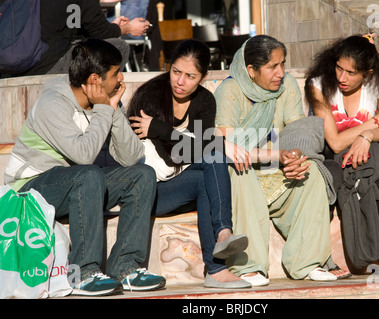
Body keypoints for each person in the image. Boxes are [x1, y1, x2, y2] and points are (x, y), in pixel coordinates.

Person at [3, 38, 165, 296]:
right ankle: (83, 273)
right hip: (30, 190)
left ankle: (126, 267)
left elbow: (132, 157)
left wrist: (112, 111)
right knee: (88, 174)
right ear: (94, 80)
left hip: (75, 182)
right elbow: (83, 156)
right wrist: (104, 109)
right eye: (115, 73)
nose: (121, 78)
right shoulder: (52, 104)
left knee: (142, 175)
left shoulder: (103, 102)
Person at [214, 35, 337, 286]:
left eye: (283, 64)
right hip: (244, 174)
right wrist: (277, 156)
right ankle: (248, 266)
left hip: (277, 170)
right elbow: (231, 148)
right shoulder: (230, 90)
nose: (280, 73)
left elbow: (296, 131)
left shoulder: (287, 85)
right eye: (272, 66)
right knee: (239, 169)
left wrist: (295, 157)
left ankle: (307, 262)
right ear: (251, 70)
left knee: (311, 168)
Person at [127, 39, 251, 289]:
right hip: (150, 191)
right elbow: (174, 156)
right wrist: (214, 142)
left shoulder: (204, 101)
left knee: (212, 161)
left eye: (190, 76)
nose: (180, 82)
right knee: (212, 155)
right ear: (169, 68)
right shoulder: (149, 96)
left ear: (203, 77)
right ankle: (218, 259)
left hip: (183, 183)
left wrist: (163, 130)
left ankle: (222, 241)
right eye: (176, 72)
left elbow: (195, 150)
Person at [304, 34, 379, 277]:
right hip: (329, 154)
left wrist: (366, 137)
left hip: (368, 150)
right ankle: (355, 255)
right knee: (362, 173)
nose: (341, 77)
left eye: (351, 72)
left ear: (367, 73)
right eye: (339, 67)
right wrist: (374, 123)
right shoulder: (318, 84)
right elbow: (335, 142)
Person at [22, 0, 150, 76]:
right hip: (50, 63)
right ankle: (98, 104)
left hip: (21, 61)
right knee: (119, 46)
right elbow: (101, 33)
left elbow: (72, 26)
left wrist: (113, 26)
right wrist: (128, 28)